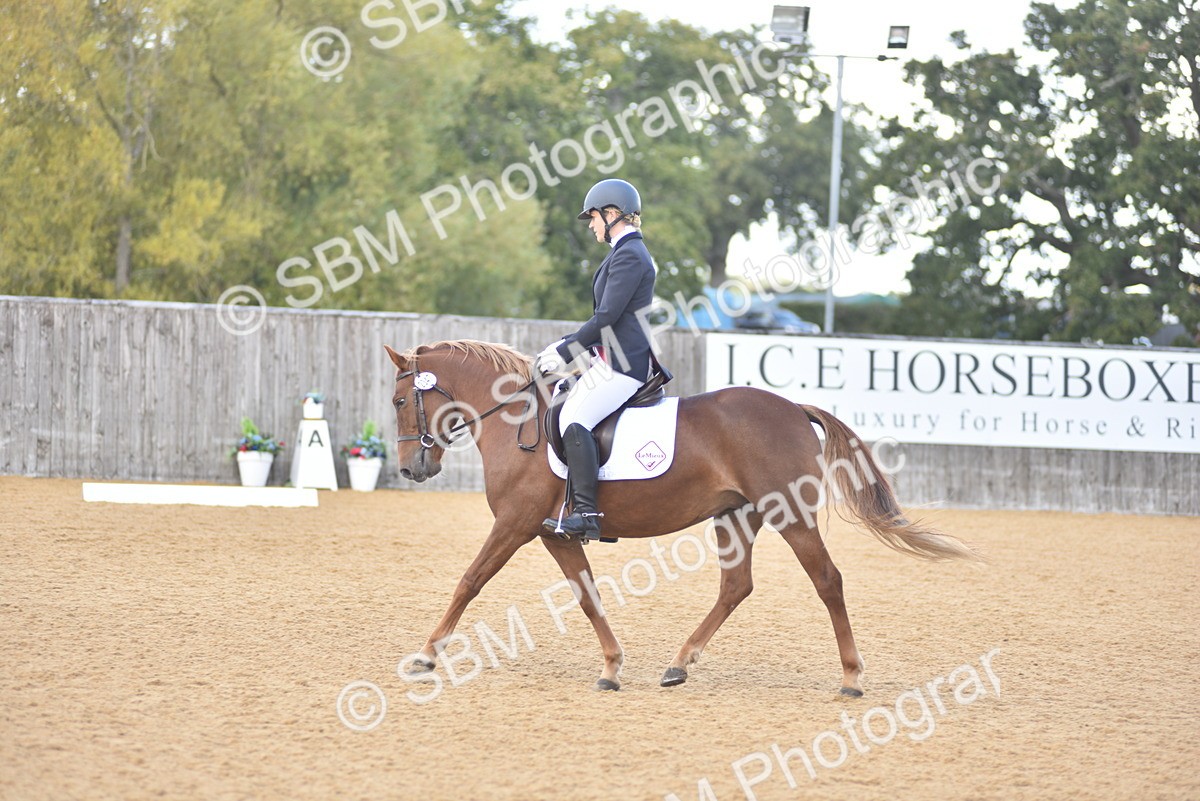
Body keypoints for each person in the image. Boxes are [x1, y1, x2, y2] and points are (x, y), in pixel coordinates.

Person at [535, 178, 658, 541]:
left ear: (612, 213)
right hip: (609, 359)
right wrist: (567, 343)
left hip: (623, 365)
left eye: (593, 218)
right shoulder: (622, 254)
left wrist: (564, 352)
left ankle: (587, 513)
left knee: (575, 418)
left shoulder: (631, 255)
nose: (591, 225)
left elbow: (606, 317)